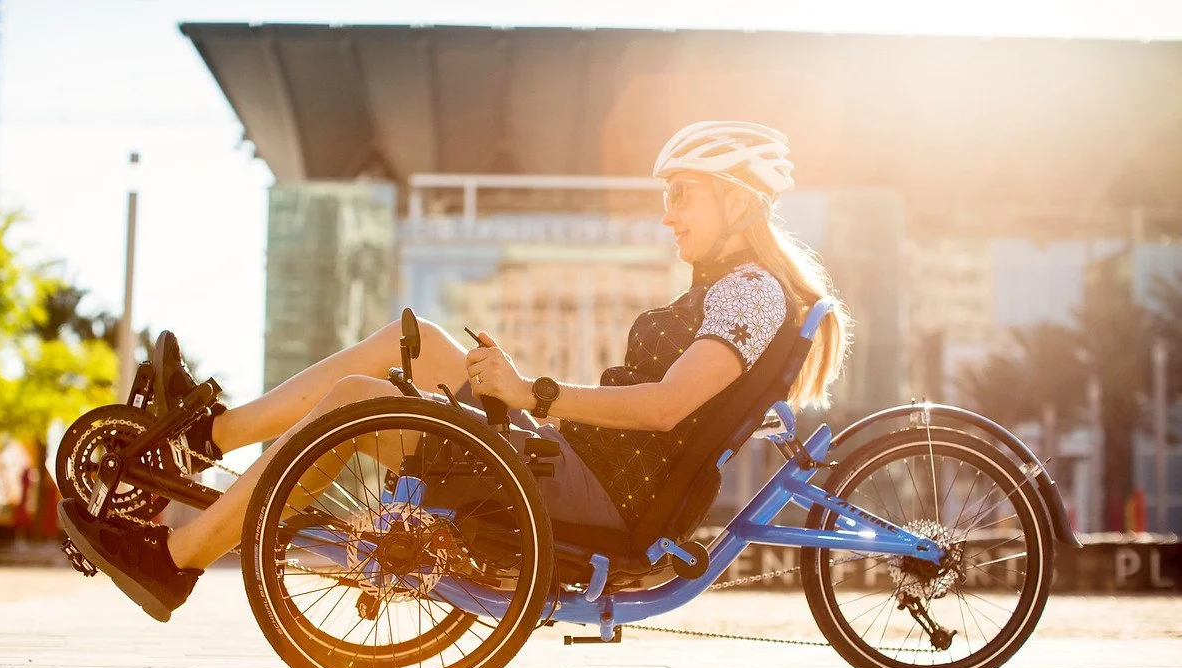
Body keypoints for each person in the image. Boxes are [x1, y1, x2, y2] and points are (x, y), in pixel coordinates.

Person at [57, 121, 850, 622]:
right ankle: (205, 438)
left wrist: (531, 392)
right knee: (412, 341)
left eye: (683, 195)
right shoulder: (731, 289)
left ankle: (177, 558)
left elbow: (662, 408)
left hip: (598, 491)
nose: (667, 212)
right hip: (576, 464)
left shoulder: (749, 291)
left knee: (355, 401)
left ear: (737, 202)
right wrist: (524, 393)